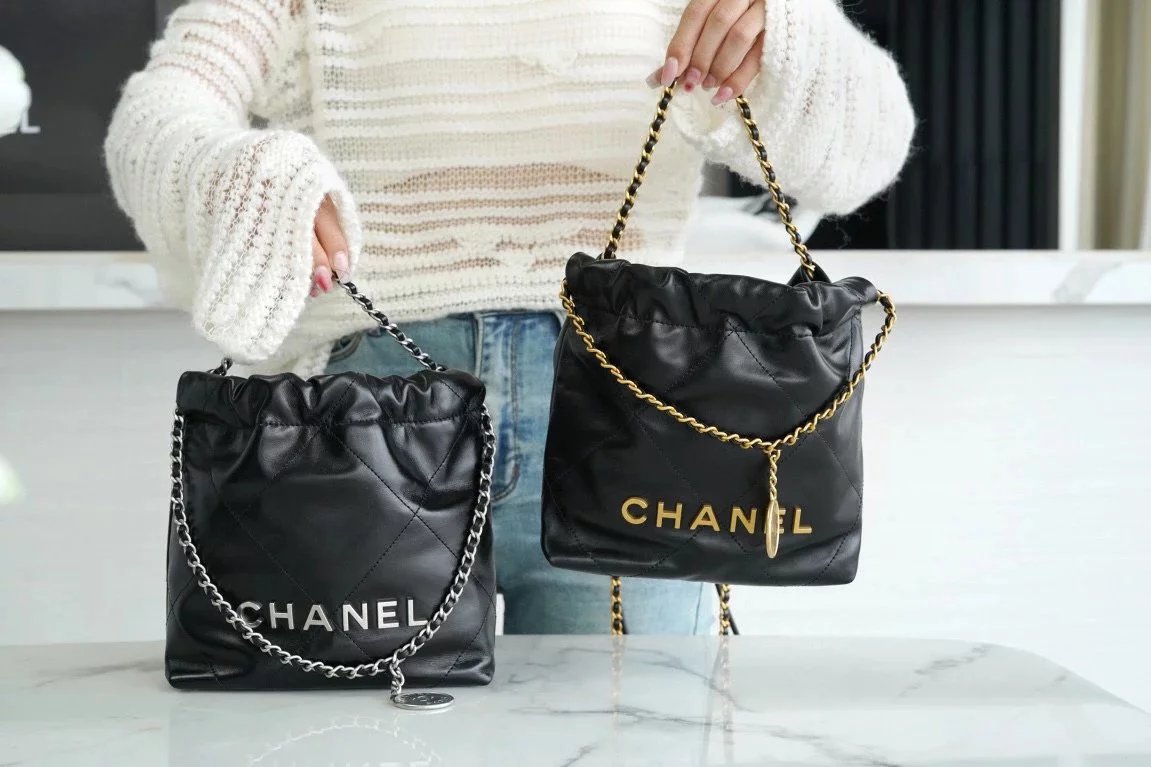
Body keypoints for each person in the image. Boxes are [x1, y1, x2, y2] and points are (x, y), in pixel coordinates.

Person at [105, 0, 914, 635]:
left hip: (631, 429)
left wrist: (789, 34)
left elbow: (867, 151)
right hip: (365, 420)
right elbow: (158, 114)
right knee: (355, 742)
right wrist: (241, 174)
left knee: (627, 738)